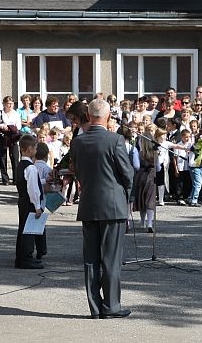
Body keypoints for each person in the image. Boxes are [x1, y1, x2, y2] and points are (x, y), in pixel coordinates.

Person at [69, 99, 134, 319]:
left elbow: (76, 171)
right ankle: (112, 306)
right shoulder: (115, 140)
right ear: (107, 116)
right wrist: (128, 195)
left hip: (88, 204)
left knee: (91, 259)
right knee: (111, 259)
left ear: (88, 114)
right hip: (113, 206)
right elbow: (127, 174)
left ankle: (95, 308)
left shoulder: (77, 142)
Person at [15, 135, 45, 269]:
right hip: (30, 202)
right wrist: (37, 206)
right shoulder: (31, 168)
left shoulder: (21, 165)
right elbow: (33, 189)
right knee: (29, 230)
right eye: (35, 147)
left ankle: (21, 256)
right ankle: (26, 257)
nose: (36, 150)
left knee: (23, 228)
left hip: (22, 200)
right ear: (28, 149)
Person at [0, 96, 22, 186]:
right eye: (8, 103)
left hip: (13, 137)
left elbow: (19, 126)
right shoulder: (0, 113)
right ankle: (5, 179)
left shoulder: (16, 114)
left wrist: (9, 127)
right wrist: (2, 126)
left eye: (11, 104)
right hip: (3, 136)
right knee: (2, 157)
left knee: (15, 158)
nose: (10, 105)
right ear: (4, 104)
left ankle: (16, 179)